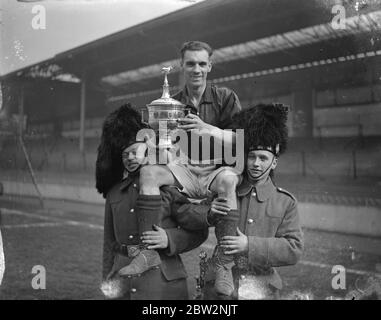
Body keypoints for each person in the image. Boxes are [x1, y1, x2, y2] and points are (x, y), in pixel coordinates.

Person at [126, 41, 243, 297]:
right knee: (148, 173)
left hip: (214, 171)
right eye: (190, 63)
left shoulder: (225, 97)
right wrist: (143, 148)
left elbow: (241, 140)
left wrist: (207, 128)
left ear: (210, 66)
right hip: (184, 171)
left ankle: (224, 263)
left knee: (229, 181)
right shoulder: (171, 102)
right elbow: (156, 139)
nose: (196, 69)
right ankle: (148, 252)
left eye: (202, 63)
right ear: (182, 66)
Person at [96, 104, 209, 300]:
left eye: (134, 151)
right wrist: (107, 277)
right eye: (124, 155)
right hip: (122, 279)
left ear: (146, 147)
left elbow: (199, 231)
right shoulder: (114, 194)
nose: (130, 158)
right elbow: (109, 243)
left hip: (162, 283)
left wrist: (169, 239)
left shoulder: (167, 187)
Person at [203, 103, 304, 299]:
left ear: (274, 162)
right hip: (219, 288)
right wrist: (208, 213)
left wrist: (249, 245)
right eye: (252, 157)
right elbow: (190, 215)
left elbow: (294, 249)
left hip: (261, 288)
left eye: (263, 158)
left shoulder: (285, 202)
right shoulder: (226, 188)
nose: (256, 164)